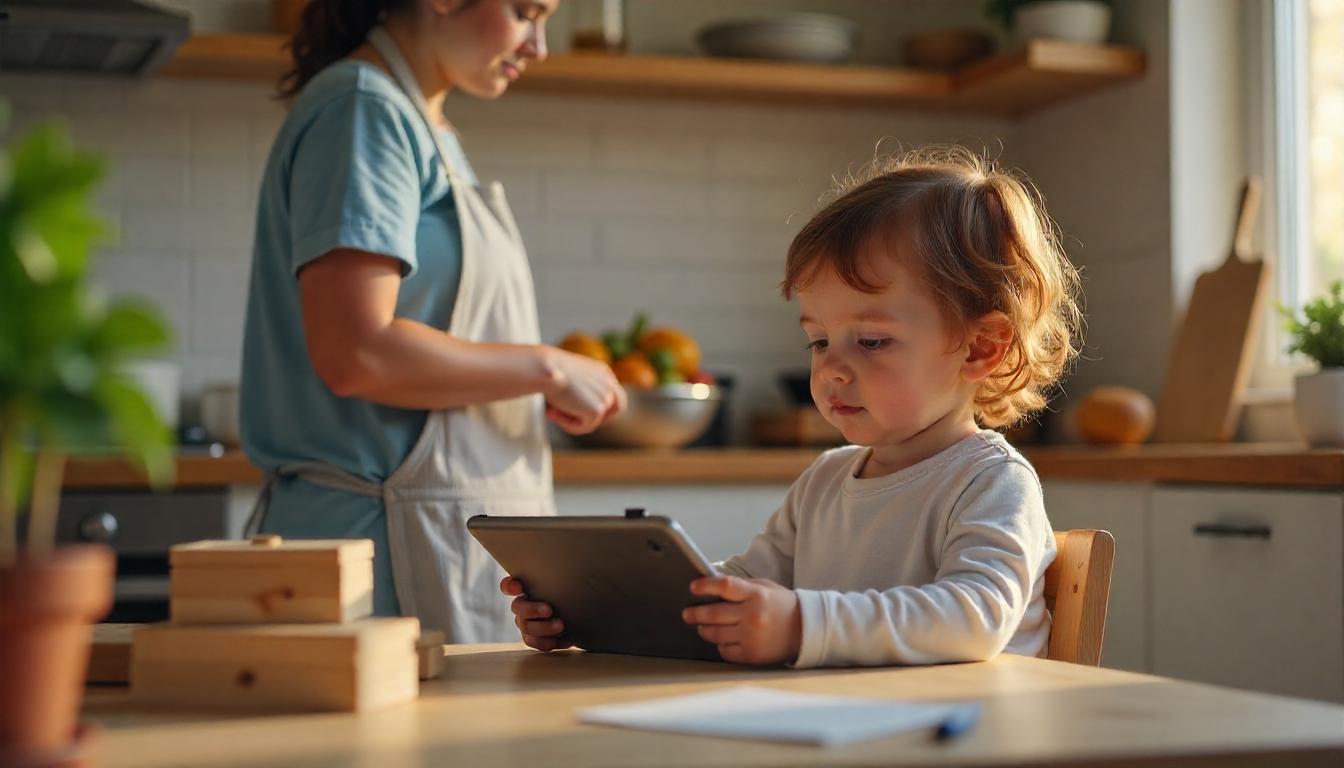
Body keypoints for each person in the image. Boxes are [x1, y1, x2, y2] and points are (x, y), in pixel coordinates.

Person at [501, 146, 1083, 666]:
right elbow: (746, 584)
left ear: (981, 347)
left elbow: (973, 619)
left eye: (872, 341)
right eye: (819, 340)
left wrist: (802, 624)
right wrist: (602, 609)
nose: (831, 366)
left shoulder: (990, 482)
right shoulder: (826, 480)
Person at [239, 0, 624, 641]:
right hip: (382, 553)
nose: (539, 46)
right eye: (527, 12)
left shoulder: (418, 121)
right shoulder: (363, 110)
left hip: (431, 542)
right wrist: (546, 368)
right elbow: (357, 351)